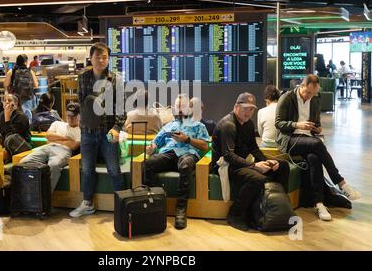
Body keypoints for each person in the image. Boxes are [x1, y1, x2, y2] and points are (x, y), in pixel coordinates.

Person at [275, 74, 361, 221]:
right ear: (301, 86)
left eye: (313, 94)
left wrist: (318, 129)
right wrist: (297, 125)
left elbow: (317, 124)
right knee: (317, 144)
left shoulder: (315, 100)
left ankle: (318, 203)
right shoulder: (287, 97)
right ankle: (341, 183)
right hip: (290, 140)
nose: (309, 96)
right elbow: (278, 123)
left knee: (314, 159)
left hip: (308, 139)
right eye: (307, 93)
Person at [211, 93, 289, 231]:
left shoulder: (248, 124)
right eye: (246, 108)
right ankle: (235, 214)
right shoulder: (228, 125)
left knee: (282, 166)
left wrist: (267, 161)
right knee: (257, 179)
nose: (249, 112)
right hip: (226, 165)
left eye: (252, 109)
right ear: (236, 107)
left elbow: (254, 148)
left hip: (242, 162)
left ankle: (275, 208)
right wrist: (254, 166)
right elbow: (229, 156)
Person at [69, 43, 126, 218]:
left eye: (104, 57)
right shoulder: (83, 77)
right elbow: (82, 103)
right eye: (97, 57)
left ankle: (123, 205)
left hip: (108, 132)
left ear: (108, 59)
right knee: (86, 170)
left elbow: (121, 109)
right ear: (91, 58)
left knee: (114, 170)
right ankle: (87, 204)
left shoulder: (115, 79)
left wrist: (117, 128)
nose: (101, 60)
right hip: (87, 131)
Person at [143, 94, 210, 229]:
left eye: (183, 106)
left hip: (188, 154)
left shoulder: (198, 125)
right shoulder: (168, 126)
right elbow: (155, 143)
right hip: (168, 154)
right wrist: (151, 148)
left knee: (185, 165)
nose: (180, 109)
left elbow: (205, 146)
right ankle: (158, 203)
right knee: (148, 164)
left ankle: (180, 210)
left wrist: (187, 139)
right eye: (177, 106)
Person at [19, 102, 80, 192]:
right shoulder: (57, 123)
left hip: (64, 151)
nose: (70, 118)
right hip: (47, 147)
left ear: (79, 116)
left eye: (73, 116)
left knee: (53, 165)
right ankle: (27, 193)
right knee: (23, 162)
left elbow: (74, 146)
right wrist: (66, 138)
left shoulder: (81, 129)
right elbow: (48, 137)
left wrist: (55, 139)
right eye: (68, 115)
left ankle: (45, 197)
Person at [3, 54, 39, 124]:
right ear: (25, 62)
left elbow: (5, 84)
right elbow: (36, 85)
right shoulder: (30, 71)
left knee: (15, 116)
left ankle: (16, 129)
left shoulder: (11, 71)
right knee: (28, 116)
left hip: (16, 99)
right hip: (28, 98)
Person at [0, 94, 31, 161]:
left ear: (16, 103)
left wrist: (7, 119)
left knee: (10, 139)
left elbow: (12, 137)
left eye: (9, 100)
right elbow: (2, 134)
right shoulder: (2, 115)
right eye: (5, 100)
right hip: (8, 146)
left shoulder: (21, 117)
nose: (6, 102)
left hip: (21, 146)